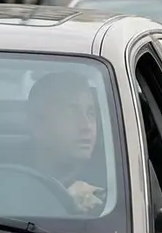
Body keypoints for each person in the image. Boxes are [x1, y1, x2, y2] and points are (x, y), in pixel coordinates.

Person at [26, 72, 106, 213]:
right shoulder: (7, 179)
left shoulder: (118, 183)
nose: (86, 126)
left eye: (90, 113)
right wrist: (62, 201)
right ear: (38, 124)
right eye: (71, 112)